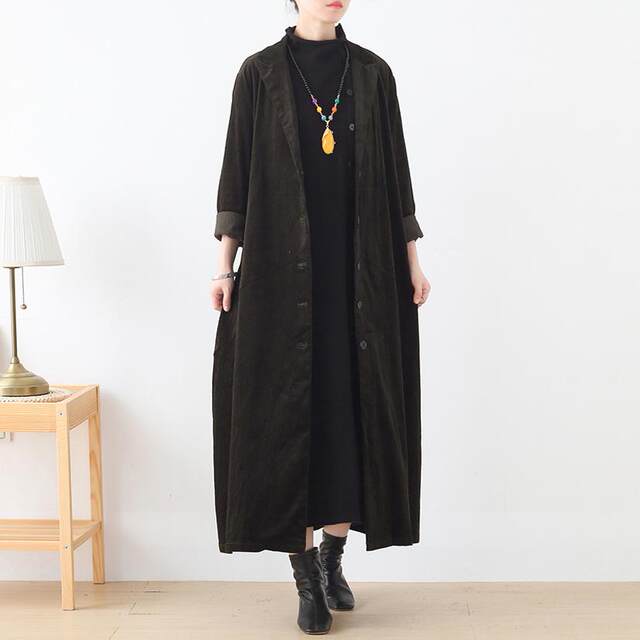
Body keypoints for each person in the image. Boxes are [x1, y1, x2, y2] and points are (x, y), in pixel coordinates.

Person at [210, 0, 430, 634]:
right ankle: (306, 578)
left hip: (361, 276)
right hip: (281, 280)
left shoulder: (373, 73)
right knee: (288, 425)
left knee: (349, 419)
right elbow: (236, 175)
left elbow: (397, 176)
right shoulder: (258, 73)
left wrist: (413, 261)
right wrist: (224, 267)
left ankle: (333, 559)